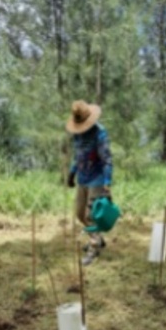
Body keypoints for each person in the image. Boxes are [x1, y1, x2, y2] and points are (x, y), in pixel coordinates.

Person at [66, 100, 113, 265]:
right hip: (83, 179)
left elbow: (107, 159)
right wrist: (71, 174)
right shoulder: (77, 134)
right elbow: (78, 157)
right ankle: (98, 237)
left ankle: (94, 249)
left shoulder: (100, 134)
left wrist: (107, 183)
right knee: (79, 213)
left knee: (91, 216)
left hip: (97, 179)